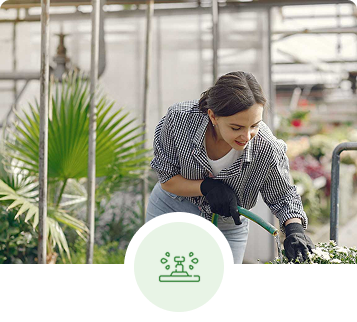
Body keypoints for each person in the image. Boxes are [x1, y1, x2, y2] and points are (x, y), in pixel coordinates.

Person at [146, 71, 314, 264]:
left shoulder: (266, 147)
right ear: (213, 116)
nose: (247, 136)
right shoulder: (180, 121)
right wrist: (206, 187)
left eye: (254, 125)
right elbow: (167, 179)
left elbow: (283, 196)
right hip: (173, 209)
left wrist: (295, 231)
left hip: (227, 226)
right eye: (236, 128)